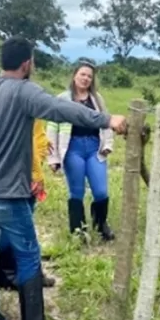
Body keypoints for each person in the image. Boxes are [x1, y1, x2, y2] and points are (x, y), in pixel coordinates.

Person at [0, 36, 127, 320]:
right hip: (7, 193)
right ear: (27, 63)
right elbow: (63, 110)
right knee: (28, 254)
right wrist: (107, 119)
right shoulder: (26, 92)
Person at [46, 60, 115, 241]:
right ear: (74, 75)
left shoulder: (97, 99)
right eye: (82, 74)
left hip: (94, 147)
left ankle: (101, 225)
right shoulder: (62, 99)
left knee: (101, 191)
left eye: (89, 76)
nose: (86, 79)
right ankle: (78, 231)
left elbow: (106, 121)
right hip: (72, 148)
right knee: (76, 191)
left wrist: (108, 144)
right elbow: (52, 127)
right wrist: (53, 158)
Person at [0, 117, 56, 290]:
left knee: (21, 222)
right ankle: (8, 273)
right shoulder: (20, 106)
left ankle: (15, 272)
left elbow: (36, 134)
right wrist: (36, 175)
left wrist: (44, 143)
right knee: (18, 224)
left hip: (20, 170)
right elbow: (25, 146)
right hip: (21, 174)